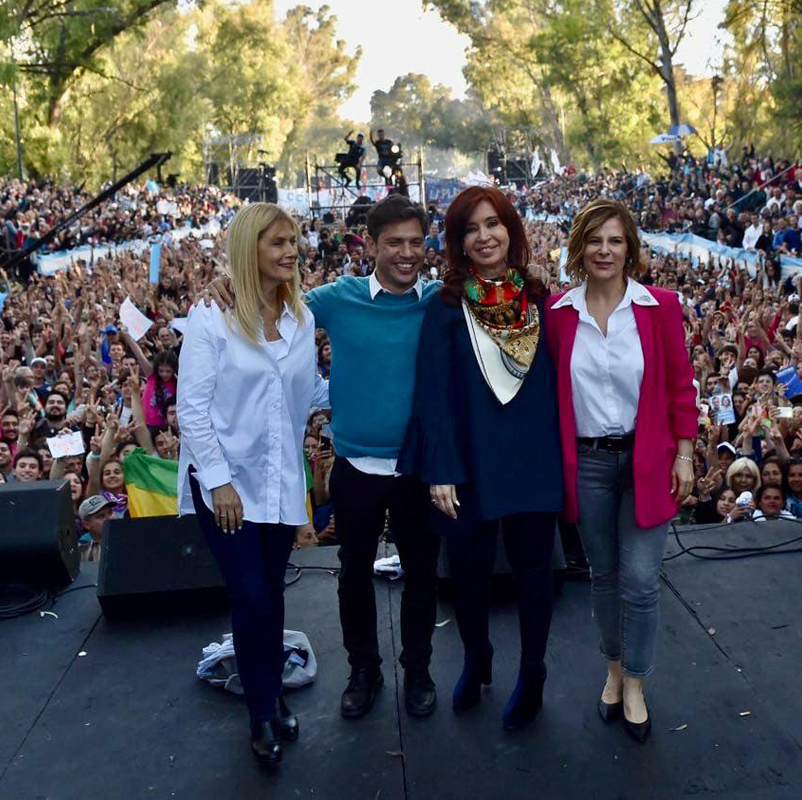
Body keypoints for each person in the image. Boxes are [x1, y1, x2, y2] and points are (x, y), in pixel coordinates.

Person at [205, 195, 443, 722]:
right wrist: (229, 286)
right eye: (394, 243)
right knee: (353, 573)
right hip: (355, 467)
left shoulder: (440, 302)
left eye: (415, 242)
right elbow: (272, 299)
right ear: (371, 245)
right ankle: (364, 671)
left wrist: (533, 272)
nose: (407, 253)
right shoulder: (334, 300)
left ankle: (419, 669)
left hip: (418, 468)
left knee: (423, 574)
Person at [398, 185, 562, 732]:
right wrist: (440, 467)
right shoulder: (444, 306)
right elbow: (432, 393)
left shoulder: (540, 300)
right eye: (471, 228)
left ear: (511, 231)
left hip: (531, 460)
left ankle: (534, 671)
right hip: (467, 465)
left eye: (493, 224)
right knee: (468, 577)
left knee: (535, 576)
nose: (484, 236)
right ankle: (476, 657)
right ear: (458, 242)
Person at [176, 202, 329, 767]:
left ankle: (268, 693)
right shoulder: (210, 317)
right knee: (250, 594)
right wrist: (218, 482)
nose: (292, 251)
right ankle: (261, 713)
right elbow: (190, 410)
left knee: (271, 594)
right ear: (249, 250)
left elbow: (309, 393)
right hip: (225, 485)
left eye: (293, 241)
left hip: (280, 481)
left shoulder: (302, 319)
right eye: (278, 243)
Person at [544, 198, 697, 742]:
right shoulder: (557, 315)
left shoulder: (661, 307)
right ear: (579, 248)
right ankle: (612, 670)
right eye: (594, 240)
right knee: (604, 578)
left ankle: (636, 681)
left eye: (615, 240)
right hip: (586, 462)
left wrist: (684, 452)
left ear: (630, 248)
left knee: (639, 579)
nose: (604, 250)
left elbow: (682, 386)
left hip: (648, 460)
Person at [76, 494, 115, 562]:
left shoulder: (128, 543)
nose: (109, 518)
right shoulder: (79, 552)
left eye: (110, 512)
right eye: (101, 516)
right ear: (86, 525)